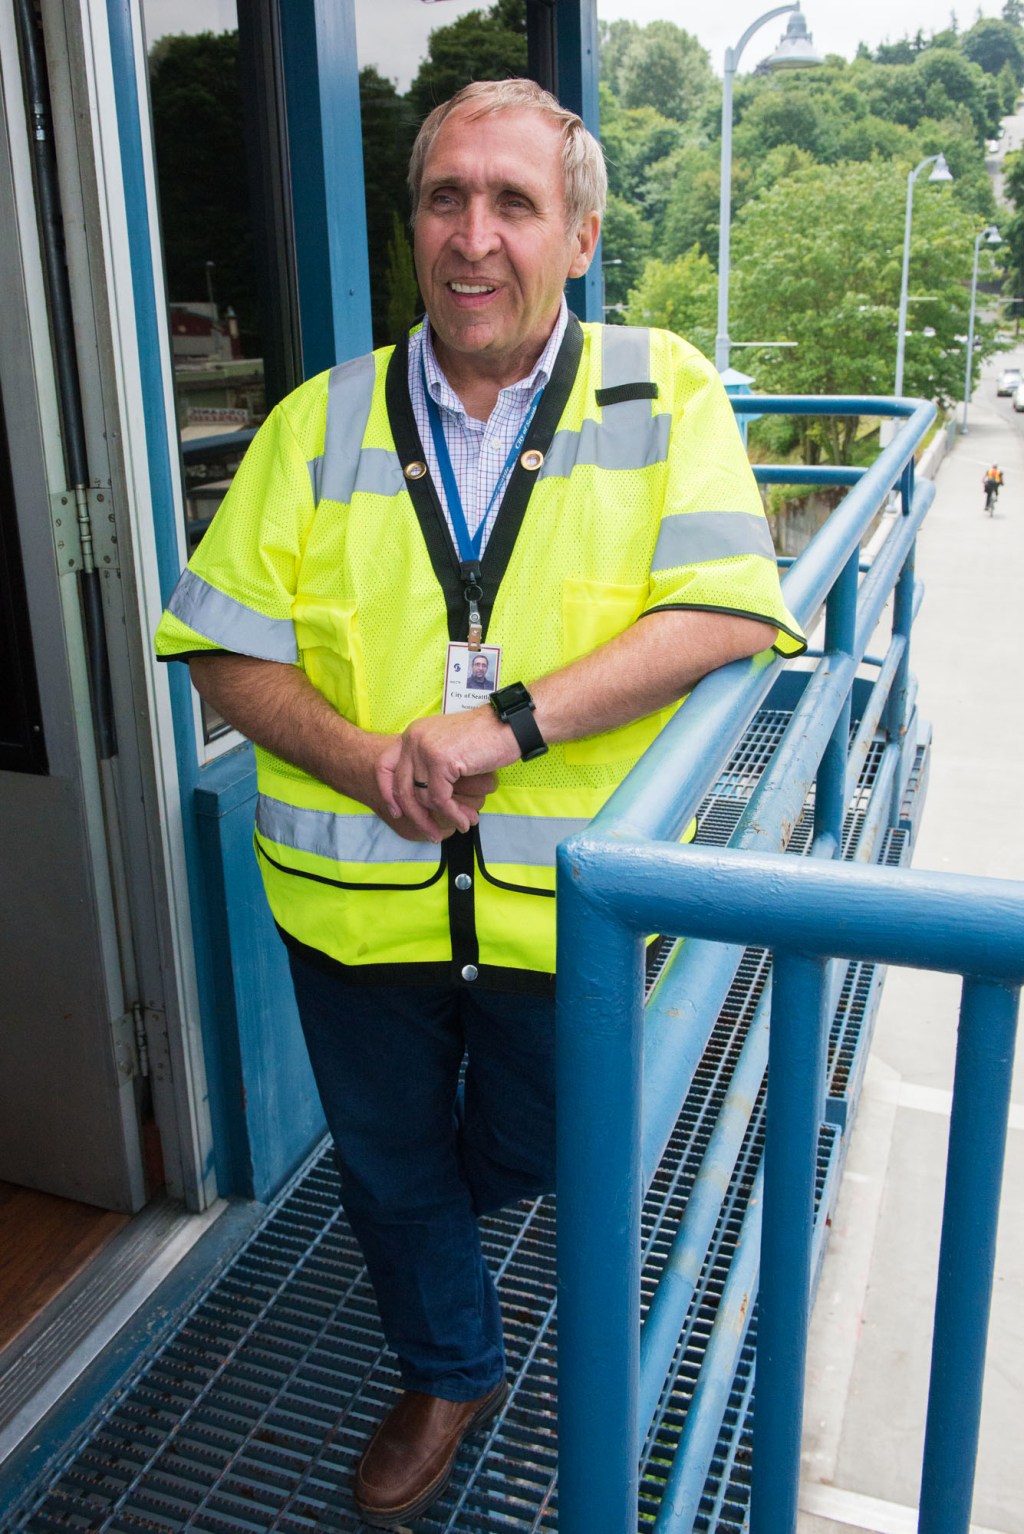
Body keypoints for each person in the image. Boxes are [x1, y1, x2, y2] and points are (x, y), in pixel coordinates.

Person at [155, 78, 804, 1528]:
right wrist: (363, 756)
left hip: (566, 918)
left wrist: (495, 729)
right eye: (446, 197)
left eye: (513, 201)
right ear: (414, 228)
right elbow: (219, 648)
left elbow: (725, 613)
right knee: (387, 1165)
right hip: (355, 905)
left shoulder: (664, 389)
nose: (473, 234)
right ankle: (449, 1365)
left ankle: (434, 1251)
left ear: (578, 234)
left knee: (535, 1143)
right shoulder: (319, 421)